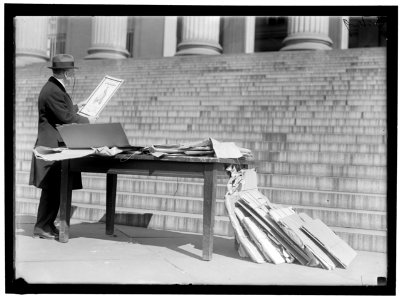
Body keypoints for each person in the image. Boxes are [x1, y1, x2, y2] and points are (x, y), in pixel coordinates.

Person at [29, 54, 96, 240]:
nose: (72, 76)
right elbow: (66, 118)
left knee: (54, 189)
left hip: (55, 146)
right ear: (66, 73)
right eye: (71, 72)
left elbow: (62, 111)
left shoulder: (53, 88)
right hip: (52, 148)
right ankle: (42, 227)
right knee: (52, 189)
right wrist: (88, 119)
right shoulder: (54, 91)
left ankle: (46, 225)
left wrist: (75, 106)